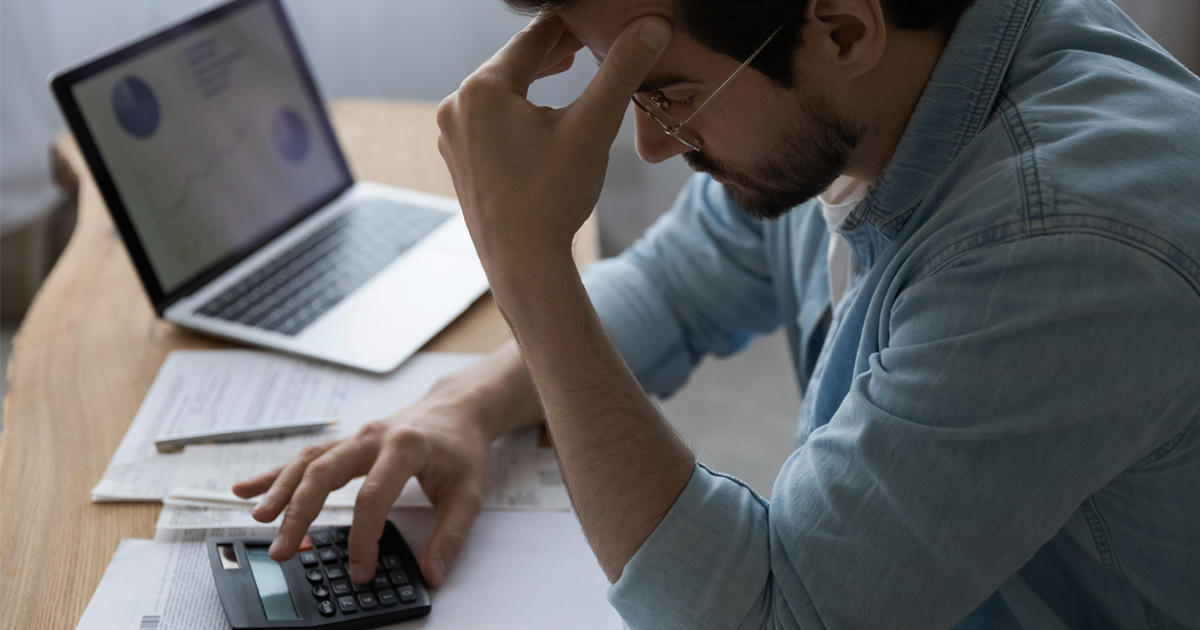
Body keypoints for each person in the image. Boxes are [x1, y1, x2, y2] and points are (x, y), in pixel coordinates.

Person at [233, 0, 1200, 626]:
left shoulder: (1060, 237)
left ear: (843, 28)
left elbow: (777, 615)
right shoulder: (871, 97)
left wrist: (531, 268)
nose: (653, 147)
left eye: (669, 95)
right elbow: (671, 288)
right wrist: (472, 403)